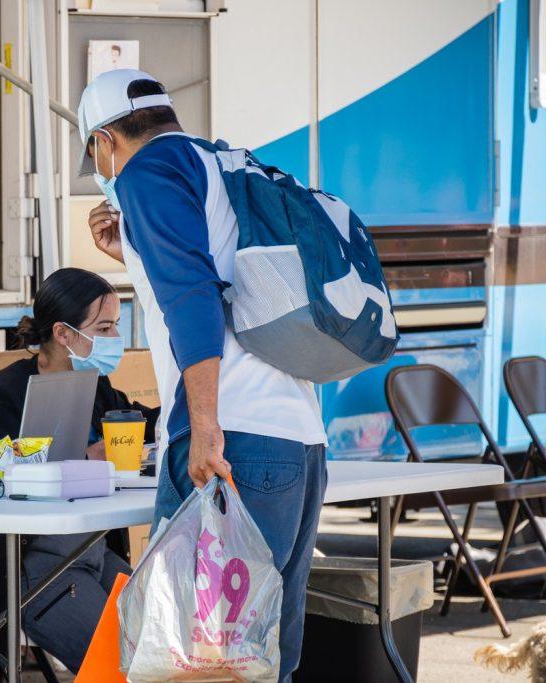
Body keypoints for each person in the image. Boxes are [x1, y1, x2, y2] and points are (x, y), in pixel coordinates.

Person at [79, 69, 328, 682]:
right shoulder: (223, 164)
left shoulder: (145, 173)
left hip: (232, 440)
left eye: (94, 153)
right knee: (264, 659)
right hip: (298, 441)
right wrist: (134, 255)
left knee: (192, 662)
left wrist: (206, 425)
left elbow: (193, 303)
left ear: (106, 140)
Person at [0, 267, 158, 675]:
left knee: (165, 646)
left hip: (92, 553)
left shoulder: (95, 384)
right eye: (104, 327)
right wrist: (81, 461)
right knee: (124, 667)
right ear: (63, 334)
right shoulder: (1, 398)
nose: (114, 338)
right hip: (26, 564)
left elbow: (138, 420)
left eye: (116, 325)